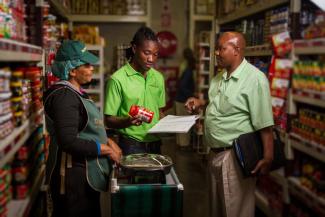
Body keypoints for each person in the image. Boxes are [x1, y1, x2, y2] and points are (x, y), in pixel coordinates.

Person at [185, 32, 274, 217]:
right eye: (216, 49)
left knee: (235, 211)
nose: (216, 53)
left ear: (237, 50)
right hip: (214, 154)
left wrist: (268, 155)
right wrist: (201, 103)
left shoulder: (254, 79)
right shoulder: (218, 78)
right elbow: (220, 104)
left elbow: (264, 122)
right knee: (217, 210)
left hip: (235, 156)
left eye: (221, 48)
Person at [44, 40, 122, 217]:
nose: (92, 68)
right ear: (72, 70)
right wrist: (107, 150)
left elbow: (85, 127)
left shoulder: (76, 92)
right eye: (86, 64)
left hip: (84, 174)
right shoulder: (64, 96)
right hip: (72, 179)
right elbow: (68, 141)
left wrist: (108, 140)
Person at [104, 27, 166, 155]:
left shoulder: (158, 78)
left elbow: (159, 112)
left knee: (156, 176)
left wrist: (171, 124)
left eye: (155, 54)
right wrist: (128, 121)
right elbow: (108, 120)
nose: (151, 59)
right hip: (131, 144)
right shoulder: (117, 80)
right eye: (147, 53)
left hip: (156, 143)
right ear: (134, 49)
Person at [174, 48, 196, 148]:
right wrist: (192, 95)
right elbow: (183, 86)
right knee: (184, 125)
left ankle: (180, 144)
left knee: (180, 124)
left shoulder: (186, 68)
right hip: (183, 100)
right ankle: (184, 146)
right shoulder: (188, 71)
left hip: (179, 99)